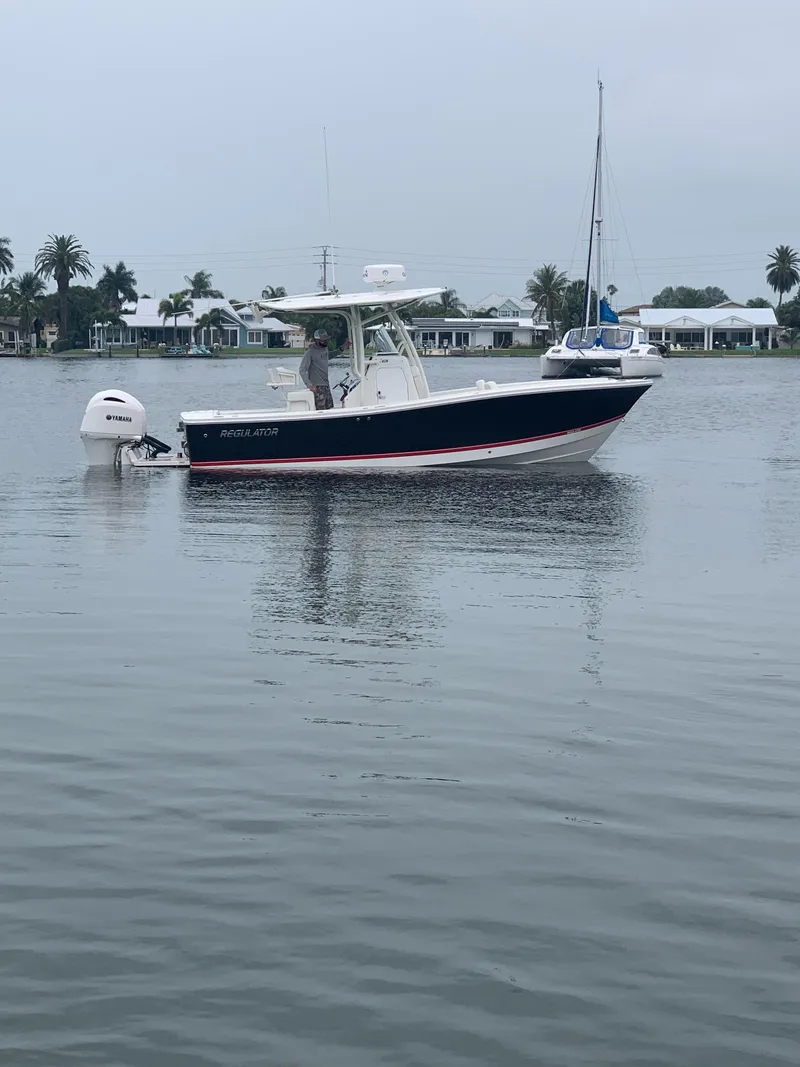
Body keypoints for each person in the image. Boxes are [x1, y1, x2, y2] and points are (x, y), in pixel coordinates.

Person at [299, 329, 350, 410]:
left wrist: (343, 347)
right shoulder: (310, 352)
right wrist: (310, 385)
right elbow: (302, 370)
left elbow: (329, 355)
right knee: (320, 410)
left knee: (329, 408)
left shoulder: (324, 349)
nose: (326, 342)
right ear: (316, 340)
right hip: (317, 387)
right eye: (323, 341)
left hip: (326, 385)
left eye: (326, 340)